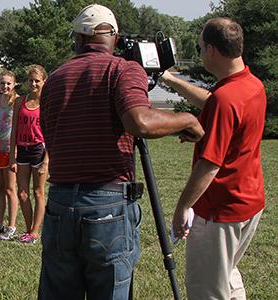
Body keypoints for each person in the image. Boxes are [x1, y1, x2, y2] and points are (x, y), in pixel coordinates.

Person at [37, 4, 204, 299]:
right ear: (114, 38)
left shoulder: (55, 78)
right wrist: (188, 120)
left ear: (77, 39)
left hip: (60, 201)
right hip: (107, 202)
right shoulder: (122, 69)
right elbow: (140, 121)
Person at [162, 18, 266, 300]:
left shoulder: (226, 99)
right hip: (249, 203)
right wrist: (170, 79)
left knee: (206, 290)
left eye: (198, 49)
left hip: (220, 212)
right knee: (227, 275)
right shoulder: (251, 84)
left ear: (211, 50)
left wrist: (182, 207)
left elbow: (210, 164)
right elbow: (213, 102)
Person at [9, 65, 48, 244]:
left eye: (37, 81)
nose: (33, 84)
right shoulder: (20, 102)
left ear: (44, 81)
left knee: (38, 192)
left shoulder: (47, 103)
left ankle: (35, 232)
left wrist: (46, 161)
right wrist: (12, 155)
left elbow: (52, 132)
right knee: (22, 193)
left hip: (39, 150)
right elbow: (14, 130)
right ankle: (28, 229)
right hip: (22, 150)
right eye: (30, 80)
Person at [0, 70, 19, 240]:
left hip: (10, 149)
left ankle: (12, 226)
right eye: (2, 83)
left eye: (8, 83)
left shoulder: (17, 101)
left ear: (14, 84)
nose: (5, 86)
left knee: (10, 189)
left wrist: (16, 150)